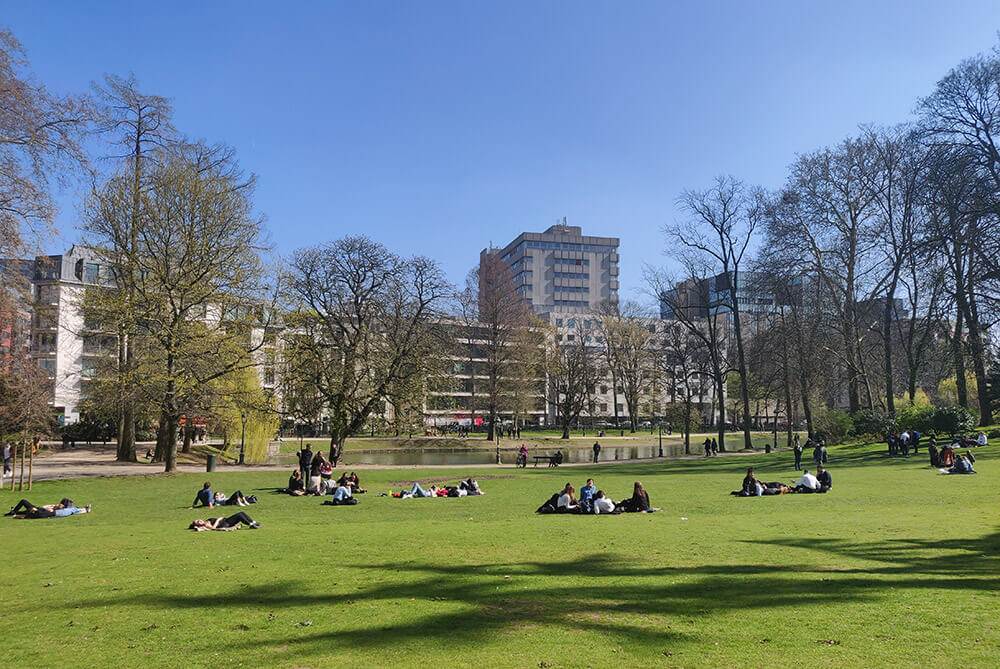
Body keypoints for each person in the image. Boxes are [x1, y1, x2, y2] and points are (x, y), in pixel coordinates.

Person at [6, 498, 90, 518]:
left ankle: (13, 513)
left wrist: (51, 507)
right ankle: (13, 512)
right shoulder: (54, 507)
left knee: (25, 505)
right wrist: (51, 505)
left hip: (38, 511)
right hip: (38, 509)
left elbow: (43, 508)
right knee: (24, 503)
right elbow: (43, 506)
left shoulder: (55, 510)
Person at [189, 512, 260, 530]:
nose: (199, 520)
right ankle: (251, 524)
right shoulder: (206, 525)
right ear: (198, 525)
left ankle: (252, 522)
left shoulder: (206, 521)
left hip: (225, 520)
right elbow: (213, 527)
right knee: (239, 515)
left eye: (198, 519)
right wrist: (218, 519)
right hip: (225, 523)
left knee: (241, 513)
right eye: (198, 522)